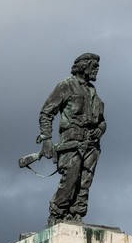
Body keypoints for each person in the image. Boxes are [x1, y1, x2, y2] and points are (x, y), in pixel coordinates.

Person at [36, 52, 106, 226]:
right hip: (71, 143)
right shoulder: (66, 85)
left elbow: (102, 121)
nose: (97, 70)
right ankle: (57, 214)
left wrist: (100, 129)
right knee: (70, 179)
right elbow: (46, 112)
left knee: (85, 182)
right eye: (94, 66)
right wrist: (46, 138)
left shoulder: (92, 91)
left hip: (91, 144)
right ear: (83, 66)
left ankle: (76, 214)